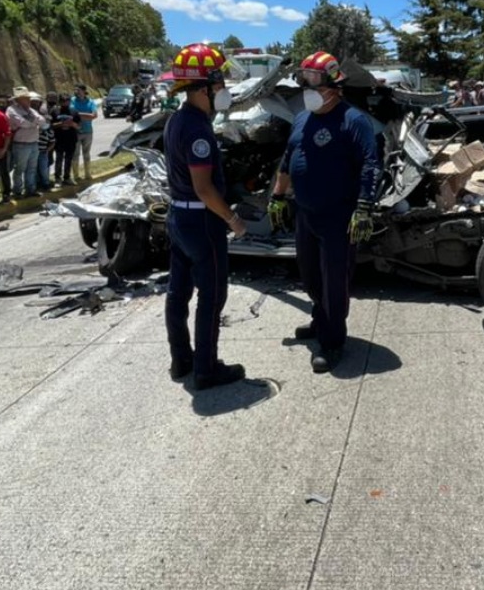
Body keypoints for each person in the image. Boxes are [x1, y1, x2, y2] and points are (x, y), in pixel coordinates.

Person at [267, 51, 381, 373]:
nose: (308, 87)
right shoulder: (303, 118)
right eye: (305, 79)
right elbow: (288, 159)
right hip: (306, 214)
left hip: (339, 217)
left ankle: (333, 342)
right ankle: (320, 321)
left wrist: (364, 206)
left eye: (314, 81)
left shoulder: (353, 121)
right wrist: (278, 195)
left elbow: (371, 165)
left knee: (334, 282)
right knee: (310, 276)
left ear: (334, 86)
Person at [163, 43, 247, 390]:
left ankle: (182, 359)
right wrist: (232, 219)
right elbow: (204, 189)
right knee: (211, 297)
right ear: (203, 88)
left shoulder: (177, 119)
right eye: (219, 85)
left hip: (179, 219)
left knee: (177, 293)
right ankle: (207, 369)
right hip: (202, 222)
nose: (223, 91)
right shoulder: (198, 129)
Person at [6, 88, 44, 197]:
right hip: (21, 144)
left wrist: (32, 121)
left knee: (31, 168)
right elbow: (21, 123)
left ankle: (30, 189)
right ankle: (17, 190)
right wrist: (34, 123)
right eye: (26, 98)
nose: (29, 100)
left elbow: (42, 121)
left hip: (33, 142)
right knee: (20, 168)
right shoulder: (11, 110)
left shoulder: (30, 110)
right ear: (18, 99)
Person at [71, 84, 98, 180]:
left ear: (83, 91)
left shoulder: (91, 102)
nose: (76, 92)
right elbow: (72, 113)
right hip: (76, 131)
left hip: (88, 131)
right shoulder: (73, 100)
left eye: (78, 90)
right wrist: (87, 115)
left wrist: (78, 114)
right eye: (75, 90)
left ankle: (88, 174)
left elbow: (94, 115)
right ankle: (76, 175)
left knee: (86, 153)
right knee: (75, 154)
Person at [52, 98, 79, 184]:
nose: (65, 103)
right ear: (59, 102)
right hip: (59, 139)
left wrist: (72, 124)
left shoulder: (74, 111)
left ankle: (67, 178)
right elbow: (50, 125)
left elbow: (78, 126)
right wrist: (60, 124)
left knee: (69, 159)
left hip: (71, 139)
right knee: (59, 159)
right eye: (63, 101)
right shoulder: (55, 111)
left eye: (67, 101)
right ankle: (57, 178)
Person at [37, 92, 58, 191]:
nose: (52, 99)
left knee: (47, 163)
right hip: (37, 149)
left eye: (54, 98)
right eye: (51, 98)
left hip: (46, 146)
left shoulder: (55, 108)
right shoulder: (43, 108)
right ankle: (40, 182)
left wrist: (48, 149)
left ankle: (46, 181)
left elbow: (52, 141)